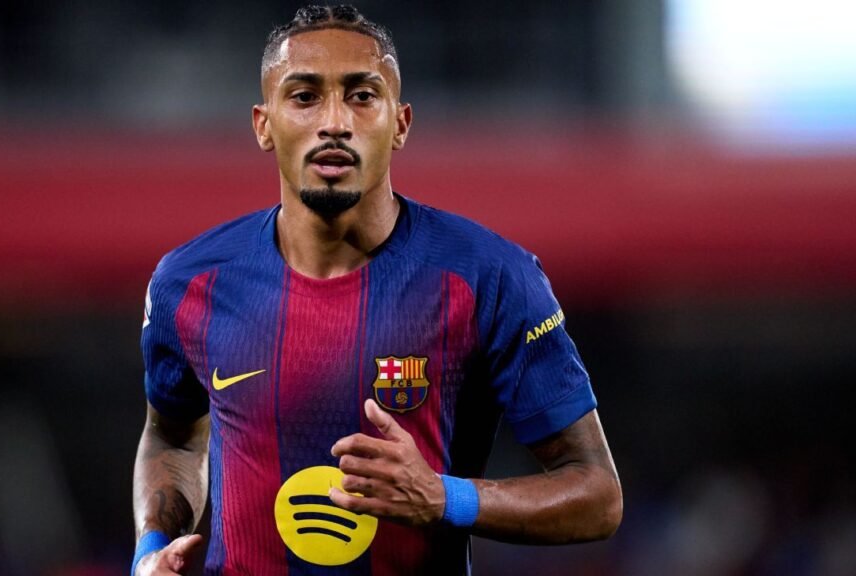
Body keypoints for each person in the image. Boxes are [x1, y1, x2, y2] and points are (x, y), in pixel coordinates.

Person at [132, 5, 622, 575]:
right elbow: (171, 439)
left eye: (362, 96)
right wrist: (150, 551)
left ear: (401, 123)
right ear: (264, 125)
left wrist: (444, 497)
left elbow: (597, 495)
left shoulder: (490, 277)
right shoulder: (189, 282)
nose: (334, 122)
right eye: (305, 96)